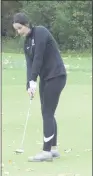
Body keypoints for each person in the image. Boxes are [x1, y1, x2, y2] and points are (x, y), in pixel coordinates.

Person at [13, 12, 67, 162]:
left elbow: (39, 57)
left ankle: (46, 151)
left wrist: (34, 80)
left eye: (19, 28)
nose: (18, 32)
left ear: (26, 24)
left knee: (47, 112)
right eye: (16, 29)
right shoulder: (26, 43)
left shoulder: (41, 32)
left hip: (56, 75)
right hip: (46, 78)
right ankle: (53, 149)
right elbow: (30, 65)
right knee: (48, 111)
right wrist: (29, 84)